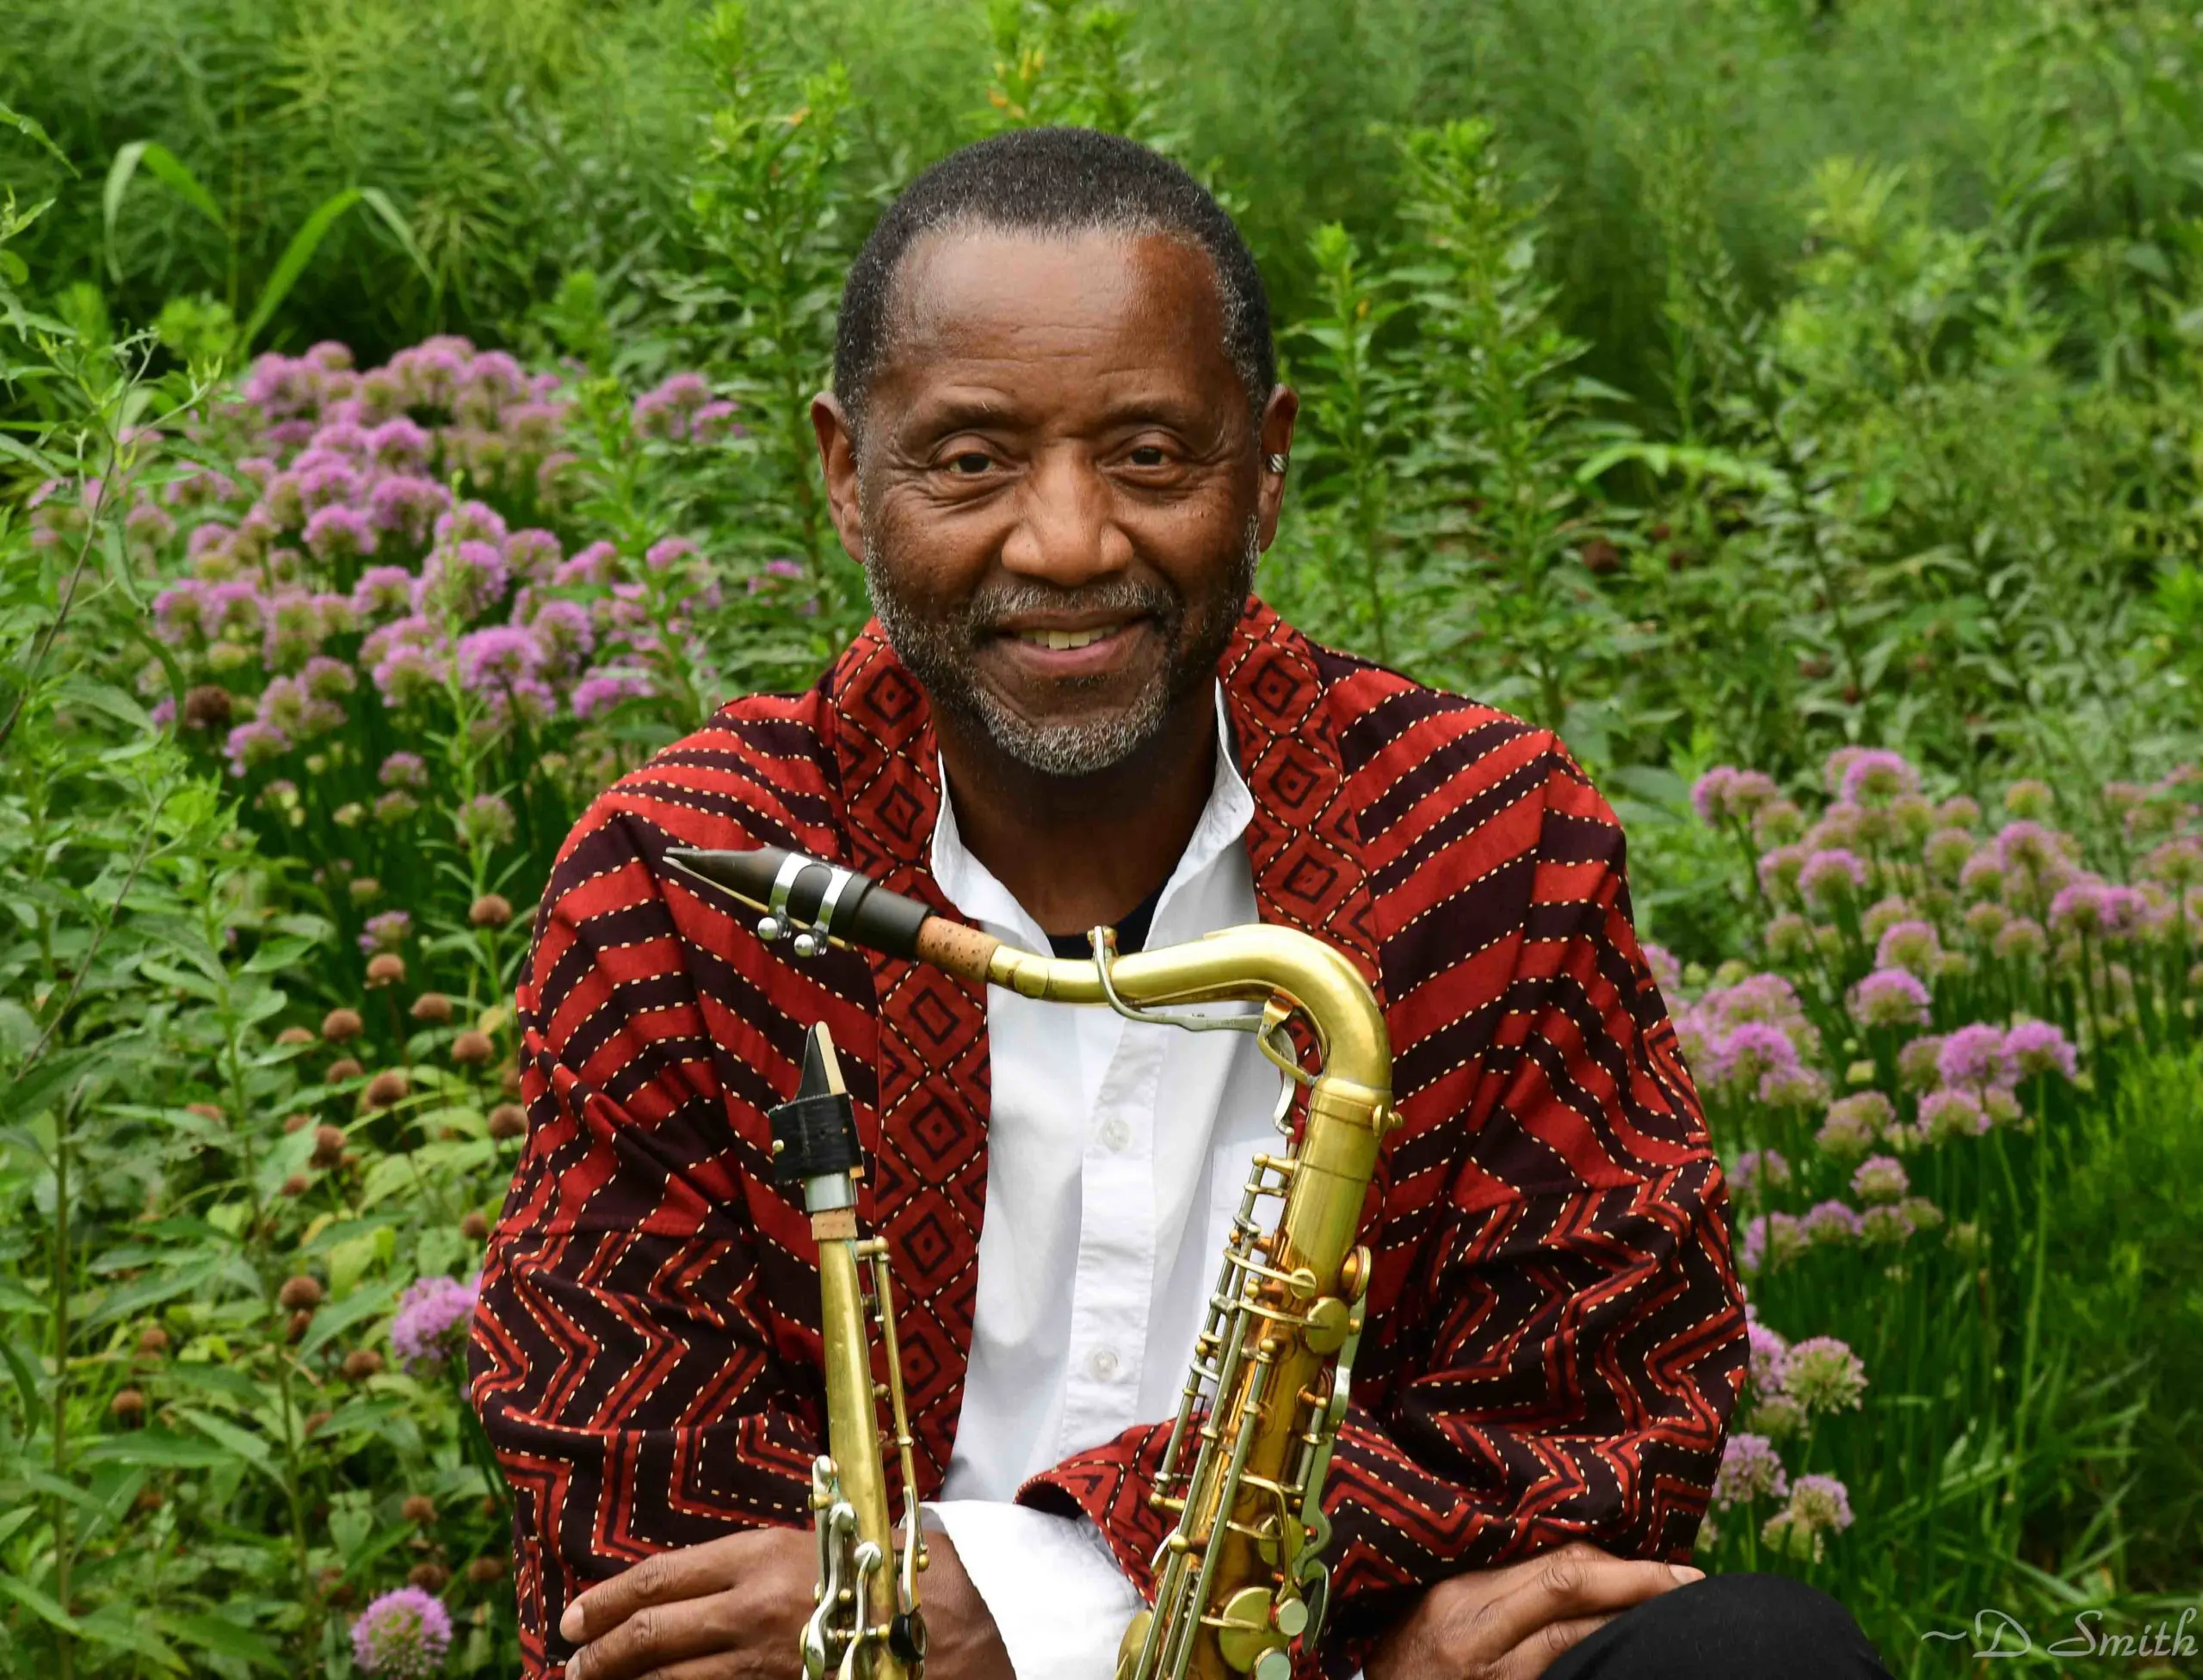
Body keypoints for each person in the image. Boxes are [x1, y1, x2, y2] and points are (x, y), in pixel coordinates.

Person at [469, 127, 1892, 1680]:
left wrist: (1032, 1595)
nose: (1068, 542)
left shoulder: (1494, 840)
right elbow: (630, 1529)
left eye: (1151, 456)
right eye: (969, 459)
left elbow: (1622, 1419)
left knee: (1757, 1655)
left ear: (1267, 462)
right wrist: (1131, 1607)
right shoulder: (686, 880)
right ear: (842, 476)